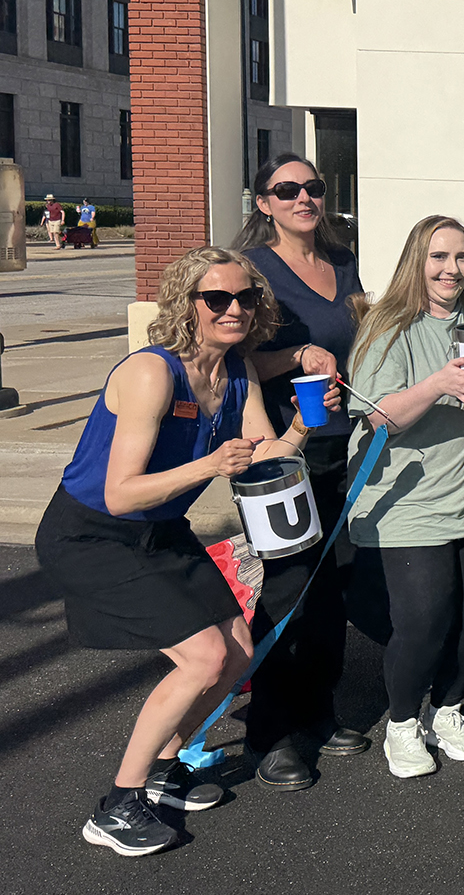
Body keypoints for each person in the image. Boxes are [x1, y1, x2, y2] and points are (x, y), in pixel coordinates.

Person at [34, 246, 327, 856]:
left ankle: (167, 770)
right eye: (216, 298)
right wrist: (210, 463)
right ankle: (118, 802)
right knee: (199, 659)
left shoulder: (237, 370)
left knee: (237, 652)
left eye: (246, 298)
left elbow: (265, 454)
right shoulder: (151, 372)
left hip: (161, 530)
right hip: (91, 533)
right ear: (186, 303)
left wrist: (304, 424)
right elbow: (119, 492)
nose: (234, 309)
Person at [346, 216, 464, 780]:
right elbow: (378, 416)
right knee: (423, 621)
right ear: (416, 261)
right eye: (439, 257)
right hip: (411, 501)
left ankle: (447, 710)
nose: (452, 269)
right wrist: (439, 384)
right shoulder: (388, 327)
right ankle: (401, 723)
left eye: (462, 257)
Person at [232, 153, 368, 791]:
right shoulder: (253, 271)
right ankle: (271, 730)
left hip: (343, 445)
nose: (303, 198)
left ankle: (318, 709)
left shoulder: (341, 263)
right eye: (286, 190)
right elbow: (229, 364)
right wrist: (294, 353)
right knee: (289, 586)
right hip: (280, 454)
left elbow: (356, 344)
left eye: (313, 187)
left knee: (333, 585)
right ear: (264, 203)